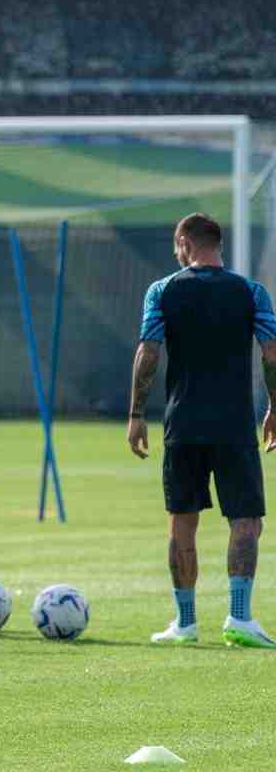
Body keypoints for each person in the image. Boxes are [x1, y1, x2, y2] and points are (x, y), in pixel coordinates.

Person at [129, 212, 276, 648]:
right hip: (233, 425)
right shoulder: (251, 292)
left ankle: (185, 623)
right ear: (218, 244)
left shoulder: (162, 290)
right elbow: (271, 351)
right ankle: (239, 618)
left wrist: (136, 412)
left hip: (182, 422)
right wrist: (275, 406)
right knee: (246, 520)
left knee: (182, 524)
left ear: (184, 242)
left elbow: (148, 352)